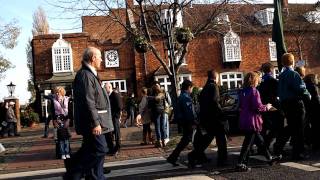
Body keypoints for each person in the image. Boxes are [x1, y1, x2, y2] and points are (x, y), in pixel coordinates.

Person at [63, 47, 114, 180]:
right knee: (101, 149)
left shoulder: (90, 74)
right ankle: (74, 171)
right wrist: (95, 123)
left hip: (96, 120)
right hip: (92, 123)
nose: (102, 59)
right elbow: (88, 101)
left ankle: (94, 175)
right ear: (93, 58)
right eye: (100, 57)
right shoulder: (85, 75)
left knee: (90, 149)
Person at [236, 72, 281, 172]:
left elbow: (240, 106)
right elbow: (258, 107)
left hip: (244, 119)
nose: (259, 81)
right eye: (258, 79)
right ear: (254, 80)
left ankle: (269, 158)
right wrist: (267, 107)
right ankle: (241, 163)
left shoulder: (243, 91)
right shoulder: (254, 91)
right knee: (247, 144)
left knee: (259, 141)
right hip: (253, 120)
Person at [188, 70, 228, 167]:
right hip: (215, 119)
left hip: (206, 119)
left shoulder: (205, 88)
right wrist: (222, 113)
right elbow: (215, 102)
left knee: (207, 139)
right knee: (221, 140)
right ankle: (222, 161)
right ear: (215, 77)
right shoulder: (214, 86)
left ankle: (193, 155)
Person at [276, 53, 310, 160]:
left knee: (291, 127)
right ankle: (298, 152)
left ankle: (280, 146)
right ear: (292, 61)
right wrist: (308, 96)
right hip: (295, 103)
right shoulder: (294, 74)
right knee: (299, 129)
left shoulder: (281, 75)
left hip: (285, 104)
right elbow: (302, 89)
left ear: (282, 62)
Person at [167, 80, 197, 166]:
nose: (192, 90)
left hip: (183, 121)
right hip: (187, 121)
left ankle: (173, 157)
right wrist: (193, 121)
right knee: (186, 140)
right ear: (189, 87)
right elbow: (188, 112)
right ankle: (173, 157)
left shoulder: (182, 96)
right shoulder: (185, 97)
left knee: (187, 140)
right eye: (191, 88)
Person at [257, 63, 284, 151]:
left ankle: (262, 147)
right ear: (272, 70)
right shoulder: (273, 80)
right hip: (273, 106)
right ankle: (274, 146)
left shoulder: (261, 81)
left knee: (265, 127)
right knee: (278, 126)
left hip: (264, 106)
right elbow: (278, 93)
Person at [52, 86, 71, 160]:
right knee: (59, 139)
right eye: (56, 92)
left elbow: (70, 110)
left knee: (66, 138)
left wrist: (69, 120)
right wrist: (54, 121)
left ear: (62, 92)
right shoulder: (53, 101)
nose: (57, 93)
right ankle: (61, 153)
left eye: (59, 92)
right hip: (58, 120)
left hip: (66, 120)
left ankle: (68, 152)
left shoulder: (67, 100)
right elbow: (52, 112)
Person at [149, 82, 170, 148]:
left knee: (157, 127)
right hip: (163, 111)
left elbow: (149, 106)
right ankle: (164, 141)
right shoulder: (162, 94)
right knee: (163, 126)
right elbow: (165, 103)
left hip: (156, 112)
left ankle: (159, 141)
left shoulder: (152, 96)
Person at [104, 82, 122, 155]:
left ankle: (118, 148)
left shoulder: (115, 95)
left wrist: (116, 116)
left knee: (117, 133)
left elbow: (120, 106)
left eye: (105, 88)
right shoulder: (108, 96)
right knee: (109, 133)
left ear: (109, 87)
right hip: (109, 118)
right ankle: (111, 148)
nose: (104, 89)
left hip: (114, 117)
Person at [304, 74, 320, 151]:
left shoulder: (305, 86)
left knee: (312, 127)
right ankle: (316, 144)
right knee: (316, 127)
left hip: (308, 109)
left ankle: (312, 143)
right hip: (315, 109)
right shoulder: (314, 87)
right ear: (313, 79)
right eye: (316, 78)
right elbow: (317, 99)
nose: (317, 79)